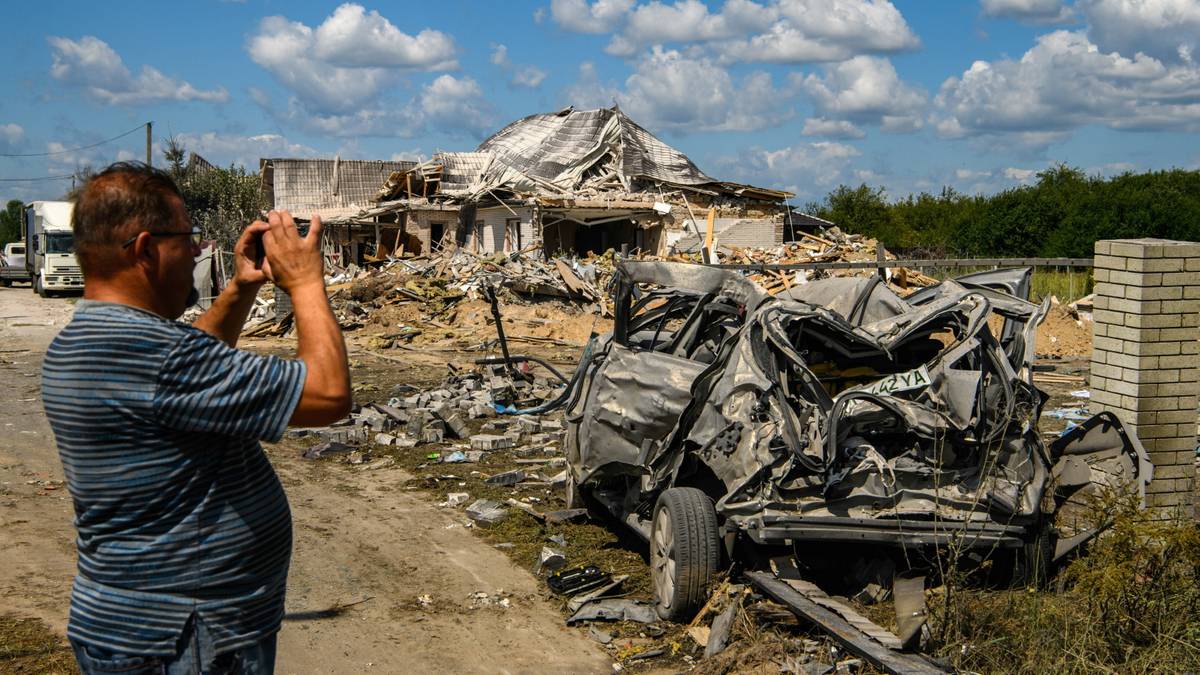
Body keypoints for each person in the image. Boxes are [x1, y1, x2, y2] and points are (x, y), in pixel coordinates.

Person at [41, 162, 351, 674]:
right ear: (145, 250)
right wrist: (306, 282)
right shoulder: (151, 353)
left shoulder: (84, 342)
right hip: (186, 637)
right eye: (188, 238)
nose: (196, 252)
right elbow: (328, 393)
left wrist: (241, 288)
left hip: (138, 626)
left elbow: (184, 368)